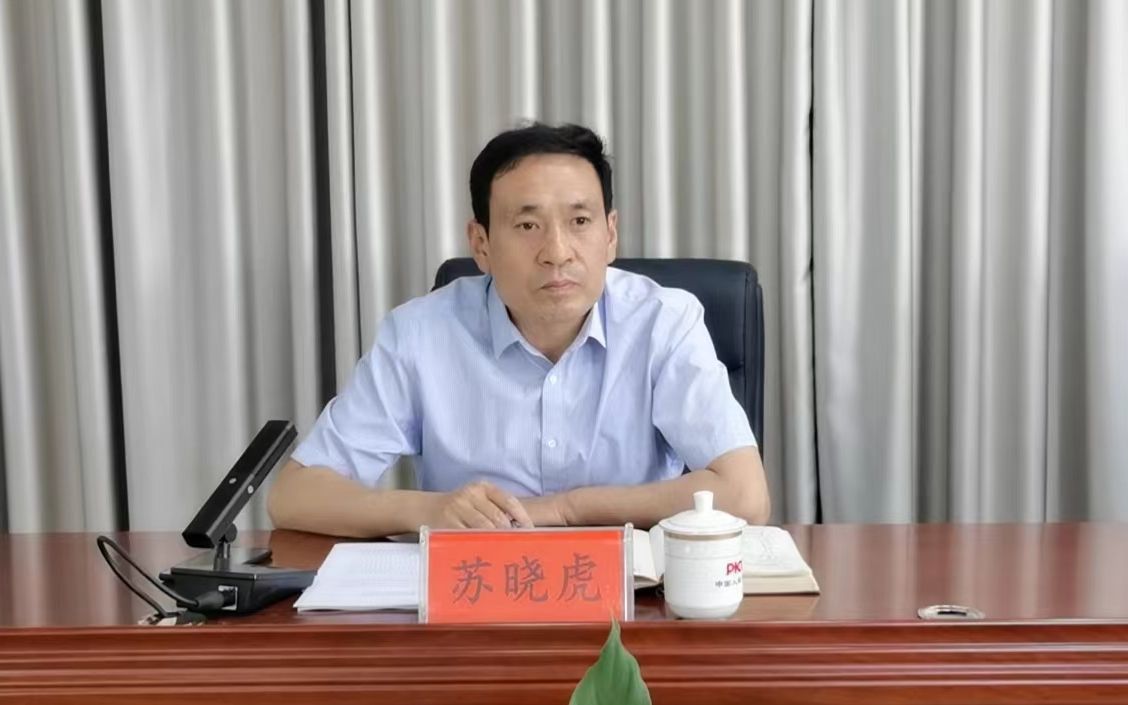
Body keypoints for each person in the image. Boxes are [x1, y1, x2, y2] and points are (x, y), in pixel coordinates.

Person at [267, 122, 770, 537]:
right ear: (481, 244)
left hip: (630, 602)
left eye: (580, 221)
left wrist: (567, 509)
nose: (557, 252)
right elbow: (295, 495)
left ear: (610, 234)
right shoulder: (420, 334)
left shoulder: (664, 322)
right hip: (474, 601)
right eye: (528, 226)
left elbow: (746, 496)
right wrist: (431, 510)